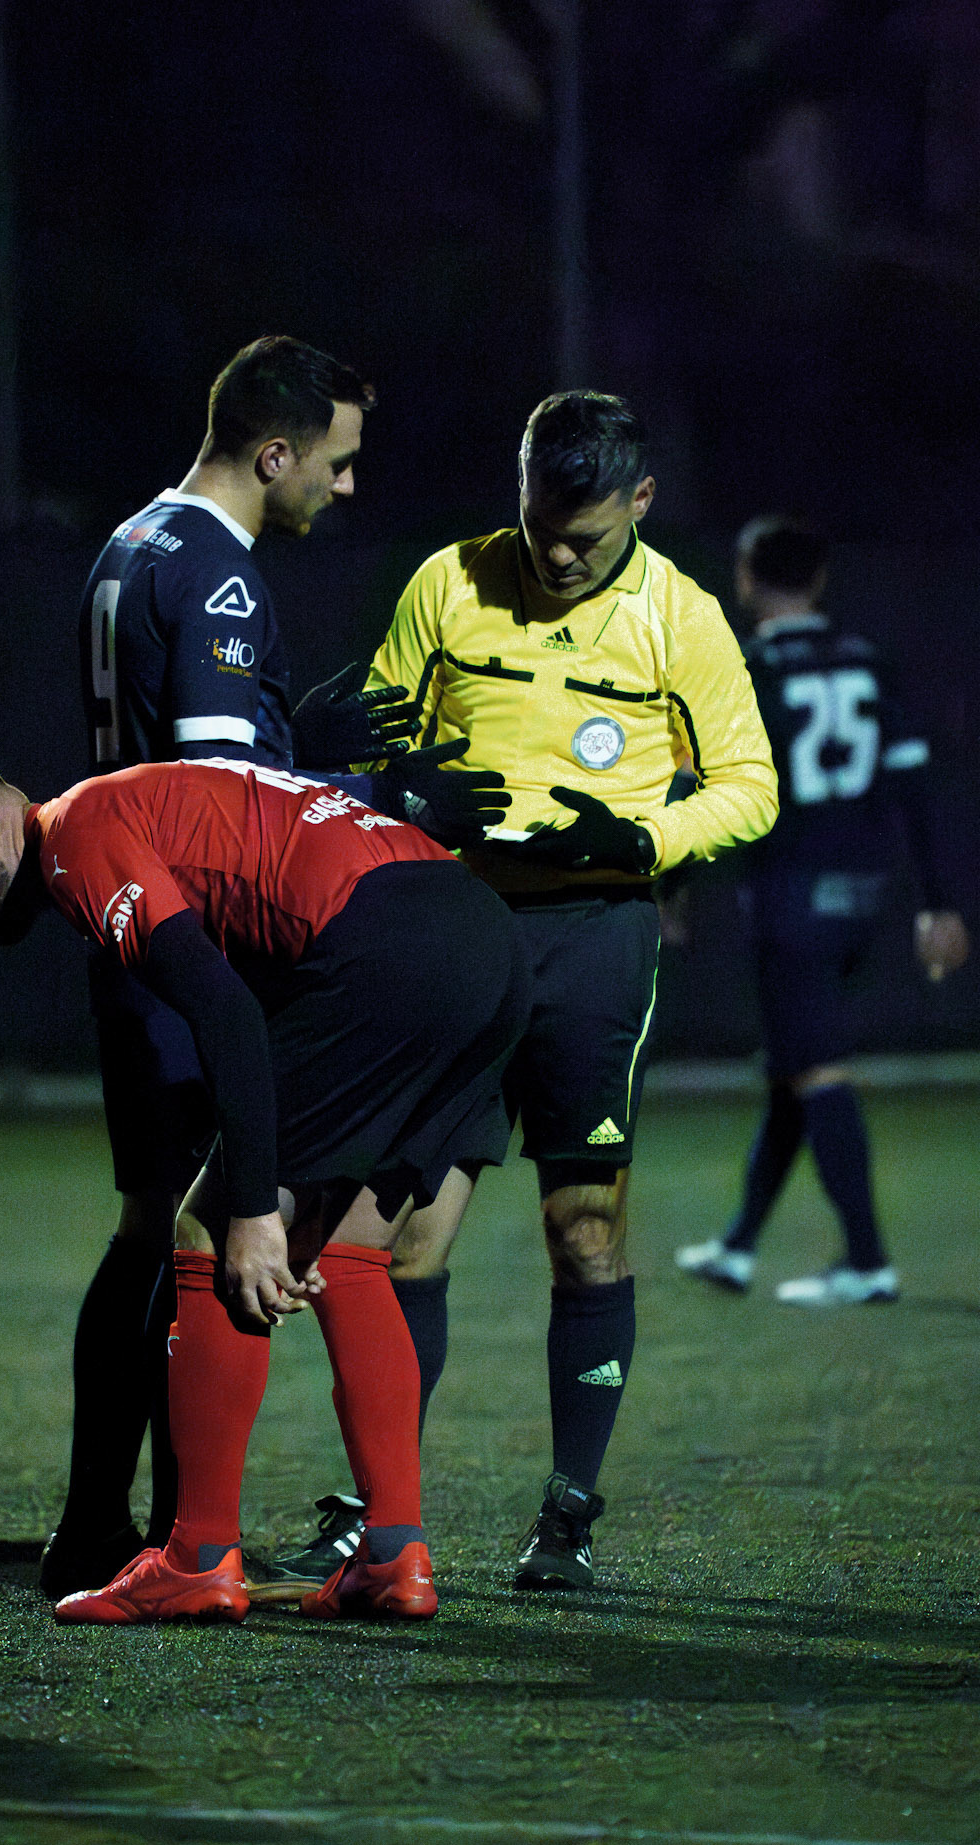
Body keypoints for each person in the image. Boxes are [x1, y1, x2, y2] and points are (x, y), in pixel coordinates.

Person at [295, 390, 778, 1593]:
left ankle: (568, 1513)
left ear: (643, 505)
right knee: (404, 1244)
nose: (559, 556)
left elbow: (750, 785)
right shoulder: (449, 584)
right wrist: (396, 790)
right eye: (542, 527)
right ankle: (379, 1511)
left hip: (592, 942)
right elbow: (373, 747)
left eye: (589, 539)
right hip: (454, 932)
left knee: (587, 1231)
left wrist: (645, 833)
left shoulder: (684, 616)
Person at [0, 753, 529, 1624]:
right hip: (483, 941)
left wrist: (253, 1209)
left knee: (204, 1232)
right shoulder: (138, 804)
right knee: (358, 1254)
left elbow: (226, 1014)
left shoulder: (75, 837)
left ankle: (198, 1558)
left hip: (388, 946)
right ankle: (394, 1556)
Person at [50, 336, 507, 1600]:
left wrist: (295, 731)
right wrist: (363, 786)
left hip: (130, 926)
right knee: (229, 1227)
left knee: (159, 1223)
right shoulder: (221, 576)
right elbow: (219, 790)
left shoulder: (128, 545)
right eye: (338, 463)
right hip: (198, 945)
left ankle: (107, 1524)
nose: (346, 488)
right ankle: (180, 1537)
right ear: (273, 453)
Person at [675, 515, 969, 1304]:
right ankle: (736, 1248)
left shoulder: (747, 668)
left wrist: (669, 889)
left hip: (788, 893)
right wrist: (936, 903)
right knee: (792, 1069)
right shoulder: (870, 663)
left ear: (745, 576)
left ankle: (867, 1261)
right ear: (819, 578)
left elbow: (701, 790)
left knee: (815, 1068)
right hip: (864, 897)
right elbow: (915, 789)